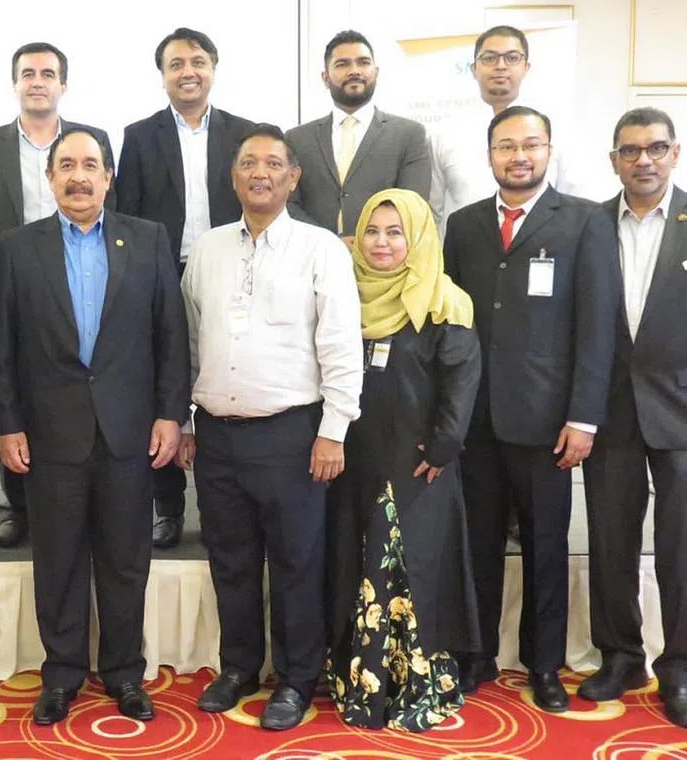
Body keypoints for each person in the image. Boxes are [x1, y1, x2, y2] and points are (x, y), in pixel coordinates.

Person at [0, 127, 189, 726]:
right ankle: (62, 675)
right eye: (67, 165)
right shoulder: (18, 247)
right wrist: (8, 425)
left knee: (126, 560)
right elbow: (3, 347)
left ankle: (124, 673)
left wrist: (170, 413)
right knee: (58, 561)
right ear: (50, 177)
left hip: (130, 431)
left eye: (90, 165)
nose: (79, 176)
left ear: (107, 177)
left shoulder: (148, 240)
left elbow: (171, 335)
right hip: (49, 434)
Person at [176, 124, 363, 730]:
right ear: (233, 177)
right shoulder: (207, 250)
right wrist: (186, 419)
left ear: (293, 177)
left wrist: (333, 430)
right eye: (249, 163)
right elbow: (190, 343)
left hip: (292, 435)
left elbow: (340, 345)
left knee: (296, 562)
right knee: (229, 559)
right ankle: (238, 668)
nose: (260, 173)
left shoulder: (320, 248)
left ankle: (297, 677)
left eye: (274, 164)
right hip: (217, 434)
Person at [443, 106, 618, 712]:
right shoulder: (463, 224)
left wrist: (584, 416)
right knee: (477, 544)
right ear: (489, 154)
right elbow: (449, 325)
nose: (518, 156)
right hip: (474, 419)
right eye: (506, 145)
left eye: (531, 145)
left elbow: (597, 327)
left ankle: (544, 664)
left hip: (547, 423)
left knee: (546, 546)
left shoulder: (585, 220)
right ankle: (475, 656)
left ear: (548, 150)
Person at [326, 188, 480, 732]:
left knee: (408, 570)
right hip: (354, 461)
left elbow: (460, 385)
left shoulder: (444, 301)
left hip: (416, 468)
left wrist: (443, 447)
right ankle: (361, 680)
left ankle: (412, 687)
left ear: (418, 238)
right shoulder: (345, 295)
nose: (382, 243)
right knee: (356, 562)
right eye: (372, 230)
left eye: (396, 232)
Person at [0, 41, 114, 549]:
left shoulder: (90, 141)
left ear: (62, 85)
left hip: (79, 283)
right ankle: (16, 505)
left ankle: (85, 499)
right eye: (28, 73)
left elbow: (112, 213)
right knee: (15, 392)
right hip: (14, 287)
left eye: (48, 73)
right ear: (15, 84)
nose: (37, 82)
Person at [115, 27, 254, 549]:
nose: (187, 71)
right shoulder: (139, 136)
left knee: (225, 374)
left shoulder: (243, 133)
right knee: (164, 385)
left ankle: (229, 503)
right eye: (176, 64)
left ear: (213, 69)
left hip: (230, 269)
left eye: (197, 61)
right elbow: (126, 212)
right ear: (163, 75)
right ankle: (167, 507)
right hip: (161, 273)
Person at [579, 107, 687, 727]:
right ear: (614, 159)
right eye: (630, 150)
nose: (643, 160)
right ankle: (620, 656)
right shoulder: (590, 225)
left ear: (675, 153)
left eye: (656, 148)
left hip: (682, 410)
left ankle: (681, 666)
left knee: (681, 547)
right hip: (610, 409)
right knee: (611, 540)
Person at [428, 25, 579, 231]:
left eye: (512, 58)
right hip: (466, 246)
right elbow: (433, 211)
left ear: (526, 67)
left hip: (542, 245)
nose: (500, 66)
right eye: (490, 58)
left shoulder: (554, 129)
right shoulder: (445, 132)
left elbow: (572, 201)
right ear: (474, 68)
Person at [287, 30, 430, 243]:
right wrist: (330, 243)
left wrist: (366, 242)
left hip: (383, 256)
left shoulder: (409, 135)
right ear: (325, 78)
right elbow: (288, 204)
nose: (354, 71)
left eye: (363, 63)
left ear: (376, 72)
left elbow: (412, 207)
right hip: (314, 255)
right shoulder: (296, 139)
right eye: (342, 64)